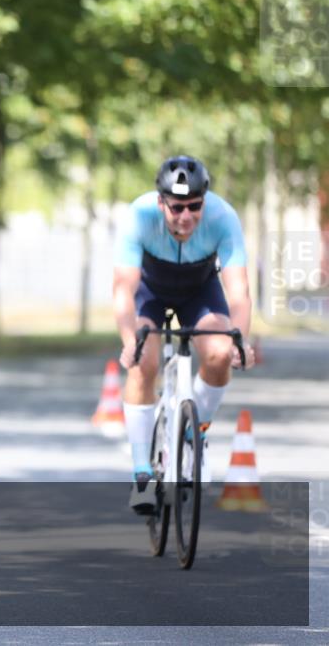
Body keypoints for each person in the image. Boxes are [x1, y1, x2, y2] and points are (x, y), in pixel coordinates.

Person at [113, 155, 255, 515]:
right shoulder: (139, 216)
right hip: (151, 292)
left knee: (220, 353)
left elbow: (238, 292)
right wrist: (129, 339)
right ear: (162, 202)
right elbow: (123, 289)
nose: (186, 216)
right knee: (143, 361)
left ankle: (197, 431)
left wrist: (241, 340)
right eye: (177, 207)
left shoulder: (223, 218)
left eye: (195, 206)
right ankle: (142, 472)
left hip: (199, 292)